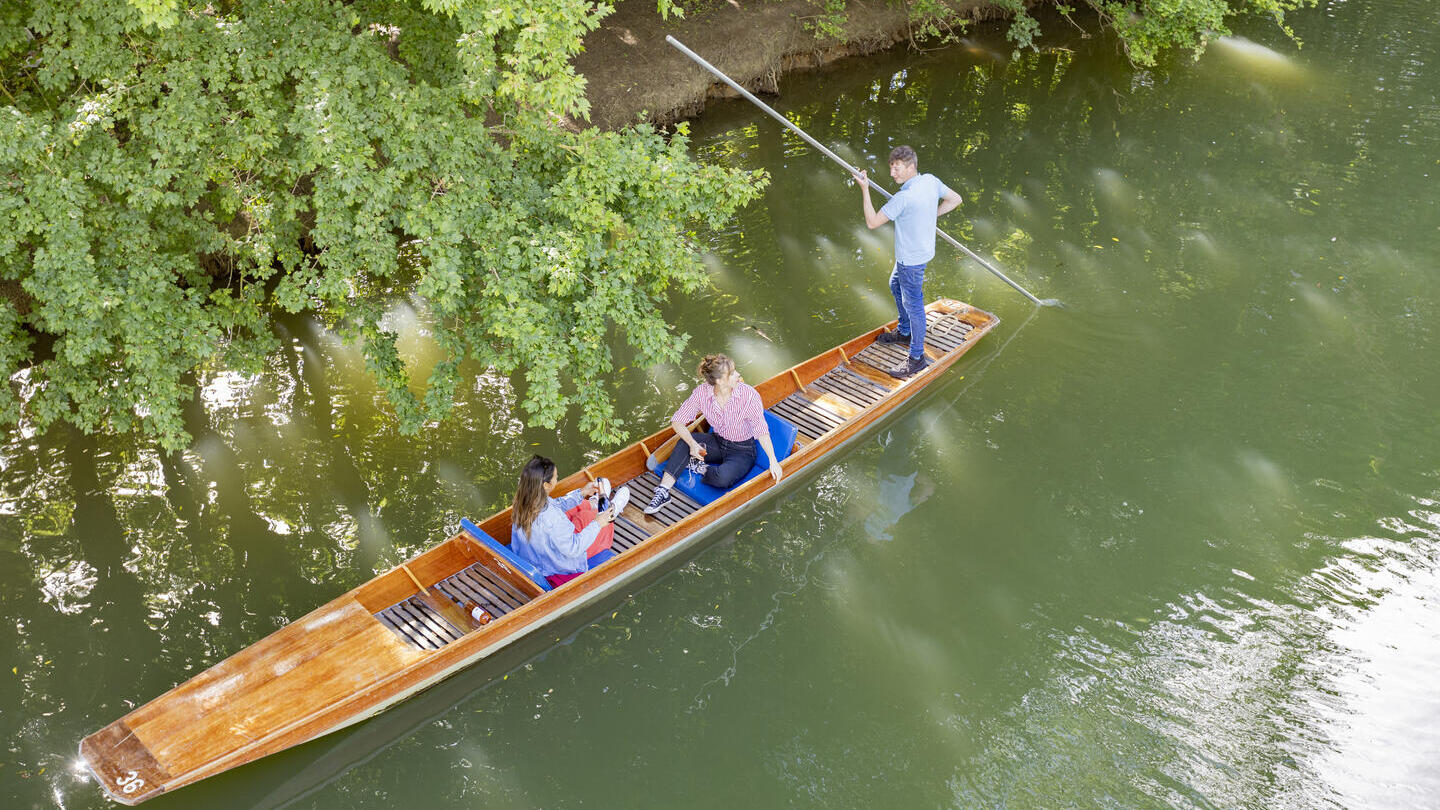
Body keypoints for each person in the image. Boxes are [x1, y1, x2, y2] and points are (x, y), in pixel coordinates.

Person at [852, 145, 964, 378]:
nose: (892, 173)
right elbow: (955, 199)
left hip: (911, 260)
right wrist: (931, 214)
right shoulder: (931, 181)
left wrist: (865, 189)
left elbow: (872, 223)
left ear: (911, 166)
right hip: (919, 253)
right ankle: (905, 332)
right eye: (891, 168)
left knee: (914, 306)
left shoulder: (903, 198)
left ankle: (916, 358)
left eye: (897, 168)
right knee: (894, 285)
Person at [642, 354, 783, 515]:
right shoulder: (702, 393)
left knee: (722, 478)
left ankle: (700, 468)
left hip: (742, 450)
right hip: (718, 441)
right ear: (719, 381)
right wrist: (693, 444)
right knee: (684, 442)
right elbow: (677, 421)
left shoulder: (749, 395)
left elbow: (761, 430)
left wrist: (773, 461)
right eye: (732, 373)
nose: (738, 375)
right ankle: (663, 491)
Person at [510, 455, 631, 585]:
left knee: (578, 510)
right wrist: (598, 523)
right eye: (556, 477)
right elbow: (574, 548)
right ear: (546, 485)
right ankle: (612, 510)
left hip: (539, 551)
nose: (557, 478)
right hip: (556, 564)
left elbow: (555, 505)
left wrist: (582, 493)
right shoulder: (552, 519)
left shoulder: (524, 500)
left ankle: (595, 503)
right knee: (591, 519)